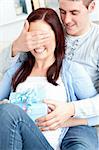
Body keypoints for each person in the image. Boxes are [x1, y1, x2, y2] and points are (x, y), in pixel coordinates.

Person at [0, 0, 99, 149]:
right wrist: (17, 45)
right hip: (20, 138)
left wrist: (68, 114)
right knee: (8, 111)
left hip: (63, 131)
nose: (66, 20)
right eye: (63, 12)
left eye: (74, 12)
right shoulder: (19, 65)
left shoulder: (72, 69)